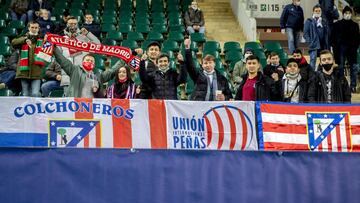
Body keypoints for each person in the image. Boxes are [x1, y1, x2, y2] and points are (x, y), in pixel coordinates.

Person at [52, 46, 119, 98]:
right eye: (87, 60)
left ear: (94, 64)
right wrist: (54, 47)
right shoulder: (74, 70)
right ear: (83, 62)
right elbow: (62, 60)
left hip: (91, 109)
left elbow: (112, 71)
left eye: (91, 61)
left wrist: (123, 60)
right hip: (76, 106)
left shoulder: (99, 76)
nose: (89, 62)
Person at [11, 21, 45, 97]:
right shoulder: (23, 38)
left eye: (36, 27)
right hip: (24, 72)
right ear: (29, 28)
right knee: (25, 94)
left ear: (38, 28)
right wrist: (25, 39)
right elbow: (13, 42)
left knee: (35, 94)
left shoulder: (42, 40)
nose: (34, 29)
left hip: (37, 72)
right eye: (32, 27)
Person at [332, 6, 360, 93]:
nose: (347, 15)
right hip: (341, 48)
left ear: (351, 14)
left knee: (353, 68)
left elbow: (358, 38)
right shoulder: (337, 24)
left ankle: (353, 86)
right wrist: (334, 47)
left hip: (352, 49)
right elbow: (333, 37)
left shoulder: (355, 25)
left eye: (349, 13)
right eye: (346, 13)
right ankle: (341, 85)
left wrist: (355, 47)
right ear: (343, 14)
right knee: (340, 67)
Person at [303, 4, 330, 69]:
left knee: (323, 61)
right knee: (313, 60)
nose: (318, 12)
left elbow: (327, 33)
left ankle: (321, 75)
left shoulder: (324, 21)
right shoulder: (309, 21)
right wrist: (310, 42)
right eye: (316, 11)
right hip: (314, 44)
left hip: (323, 45)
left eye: (319, 11)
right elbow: (305, 33)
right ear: (313, 12)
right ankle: (312, 76)